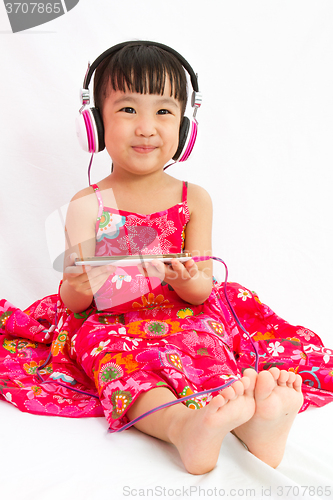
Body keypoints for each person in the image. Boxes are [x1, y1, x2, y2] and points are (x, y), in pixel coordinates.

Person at [0, 41, 332, 475]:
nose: (146, 128)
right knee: (115, 357)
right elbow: (76, 302)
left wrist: (183, 279)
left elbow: (200, 292)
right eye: (128, 110)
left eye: (162, 112)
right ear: (96, 124)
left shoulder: (194, 199)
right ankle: (182, 427)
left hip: (183, 311)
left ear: (185, 127)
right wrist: (79, 285)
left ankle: (255, 426)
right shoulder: (88, 204)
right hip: (109, 318)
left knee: (207, 341)